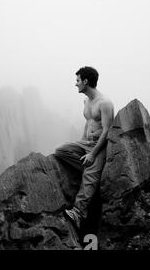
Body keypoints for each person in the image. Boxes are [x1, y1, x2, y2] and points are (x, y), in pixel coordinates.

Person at [54, 66, 114, 229]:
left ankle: (78, 213)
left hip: (99, 146)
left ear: (85, 81)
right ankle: (92, 171)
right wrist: (80, 144)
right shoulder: (86, 101)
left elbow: (107, 131)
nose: (76, 84)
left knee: (89, 178)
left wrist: (93, 154)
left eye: (78, 80)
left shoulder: (105, 103)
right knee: (60, 150)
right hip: (86, 142)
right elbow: (88, 123)